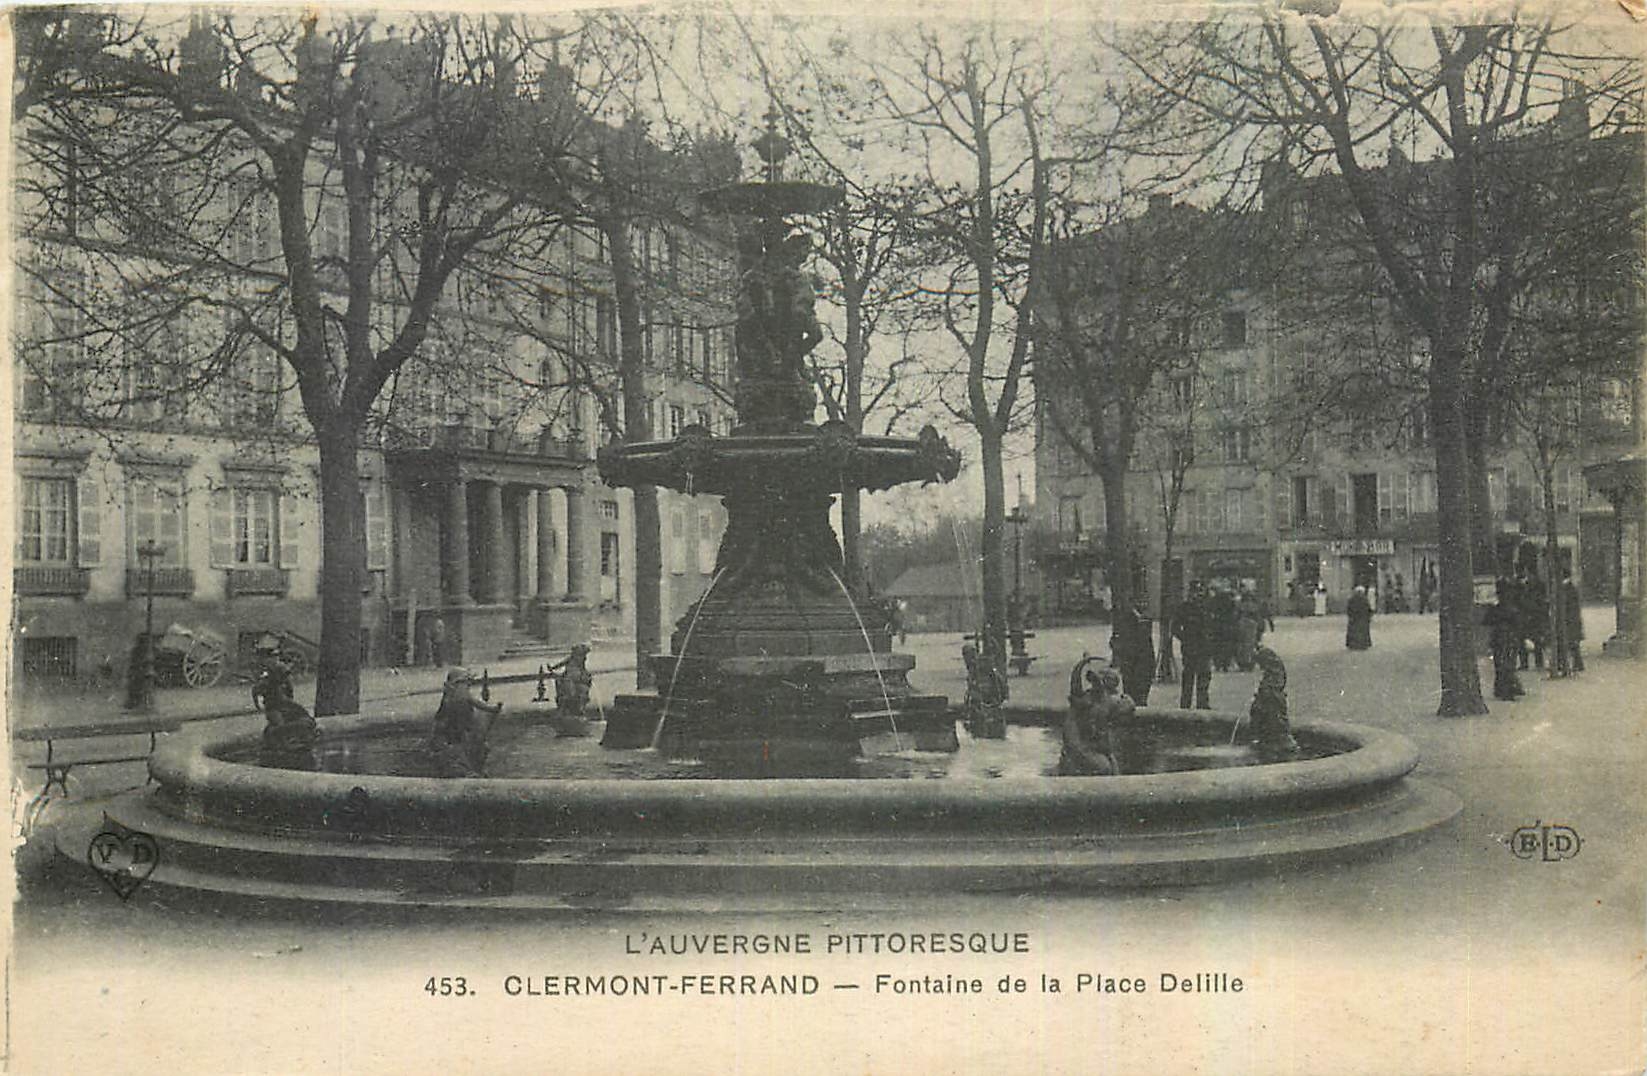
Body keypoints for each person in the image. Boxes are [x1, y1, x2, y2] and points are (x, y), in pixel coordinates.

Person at [1060, 660, 1136, 776]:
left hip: (1095, 749)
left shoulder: (1104, 700)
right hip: (1083, 751)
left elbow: (1127, 705)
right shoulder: (1088, 702)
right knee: (1104, 767)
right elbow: (1072, 740)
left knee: (1110, 767)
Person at [425, 667, 503, 777]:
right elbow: (477, 704)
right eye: (466, 682)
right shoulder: (458, 696)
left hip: (459, 727)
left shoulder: (452, 695)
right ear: (458, 683)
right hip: (455, 727)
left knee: (471, 745)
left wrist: (492, 709)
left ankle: (472, 767)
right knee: (461, 746)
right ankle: (468, 769)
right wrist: (493, 708)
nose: (468, 685)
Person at [1245, 645, 1298, 759]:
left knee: (1270, 715)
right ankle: (1266, 739)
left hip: (1272, 697)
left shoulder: (1273, 675)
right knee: (1260, 711)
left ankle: (1275, 741)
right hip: (1270, 695)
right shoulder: (1272, 674)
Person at [1174, 580, 1213, 710]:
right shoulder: (1185, 608)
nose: (1198, 594)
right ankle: (1185, 704)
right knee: (1188, 676)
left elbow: (1212, 627)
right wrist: (1185, 638)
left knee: (1204, 676)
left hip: (1204, 648)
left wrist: (1211, 640)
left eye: (1200, 591)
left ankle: (1203, 703)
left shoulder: (1207, 607)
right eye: (1195, 591)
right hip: (1190, 648)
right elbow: (1175, 627)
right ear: (1190, 592)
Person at [1485, 579, 1525, 702]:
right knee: (1507, 664)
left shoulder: (1498, 608)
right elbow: (1518, 623)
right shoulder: (1512, 607)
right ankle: (1507, 689)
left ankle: (1503, 689)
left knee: (1501, 664)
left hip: (1500, 639)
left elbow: (1487, 621)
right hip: (1509, 638)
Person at [1110, 602, 1154, 706]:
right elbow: (1114, 641)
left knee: (1139, 697)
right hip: (1131, 666)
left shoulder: (1145, 622)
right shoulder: (1126, 621)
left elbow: (1149, 649)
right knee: (1132, 697)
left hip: (1141, 667)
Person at [961, 643, 1008, 737]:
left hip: (987, 700)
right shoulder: (975, 669)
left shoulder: (981, 667)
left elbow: (997, 684)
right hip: (983, 702)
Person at [546, 644, 594, 716]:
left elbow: (582, 668)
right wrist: (553, 668)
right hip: (570, 677)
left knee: (580, 691)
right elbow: (561, 664)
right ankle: (570, 708)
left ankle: (578, 708)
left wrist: (552, 668)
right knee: (570, 692)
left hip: (574, 676)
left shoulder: (579, 658)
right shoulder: (572, 658)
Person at [1517, 570, 1548, 672]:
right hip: (1527, 618)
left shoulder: (1534, 587)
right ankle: (1528, 663)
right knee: (1525, 641)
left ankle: (1533, 663)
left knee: (1535, 641)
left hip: (1533, 618)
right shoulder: (1521, 587)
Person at [1559, 568, 1585, 673]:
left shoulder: (1567, 589)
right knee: (1573, 643)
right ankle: (1577, 664)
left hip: (1570, 619)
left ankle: (1575, 664)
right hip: (1573, 619)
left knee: (1571, 642)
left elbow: (1568, 605)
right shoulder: (1571, 588)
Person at [1208, 585, 1238, 672]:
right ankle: (1225, 663)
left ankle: (1218, 663)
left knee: (1217, 645)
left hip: (1217, 626)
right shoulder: (1230, 602)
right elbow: (1234, 613)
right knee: (1227, 645)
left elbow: (1210, 611)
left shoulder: (1214, 601)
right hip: (1228, 626)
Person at [1234, 591, 1262, 671]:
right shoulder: (1254, 606)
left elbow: (1236, 616)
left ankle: (1242, 663)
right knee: (1250, 645)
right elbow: (1258, 618)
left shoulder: (1240, 606)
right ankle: (1249, 662)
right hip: (1252, 625)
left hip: (1241, 624)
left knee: (1241, 644)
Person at [1345, 585, 1374, 651]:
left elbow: (1349, 609)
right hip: (1362, 618)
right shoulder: (1364, 599)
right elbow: (1368, 608)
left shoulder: (1352, 599)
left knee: (1354, 631)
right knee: (1362, 631)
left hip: (1354, 618)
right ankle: (1362, 644)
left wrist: (1350, 616)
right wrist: (1369, 616)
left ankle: (1353, 644)